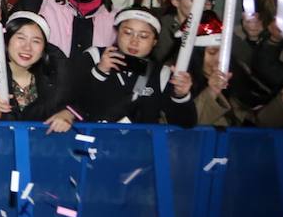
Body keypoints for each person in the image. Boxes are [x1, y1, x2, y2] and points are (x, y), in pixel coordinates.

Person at [59, 7, 196, 127]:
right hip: (92, 144)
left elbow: (185, 123)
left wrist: (181, 96)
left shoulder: (161, 74)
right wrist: (100, 72)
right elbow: (72, 102)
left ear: (154, 41)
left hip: (138, 151)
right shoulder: (94, 56)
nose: (134, 41)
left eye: (143, 36)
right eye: (128, 32)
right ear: (117, 32)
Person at [0, 11, 72, 129]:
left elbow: (78, 104)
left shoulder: (55, 77)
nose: (27, 47)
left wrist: (68, 114)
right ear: (6, 41)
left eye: (36, 41)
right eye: (21, 38)